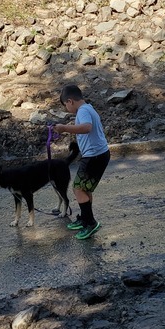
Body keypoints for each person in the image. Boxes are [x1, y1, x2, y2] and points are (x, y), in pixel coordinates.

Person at [54, 85, 110, 240]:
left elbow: (86, 127)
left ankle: (90, 223)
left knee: (78, 189)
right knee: (85, 189)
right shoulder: (88, 108)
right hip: (98, 155)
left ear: (70, 101)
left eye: (65, 105)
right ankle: (85, 218)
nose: (67, 108)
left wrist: (65, 128)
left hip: (94, 156)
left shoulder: (84, 111)